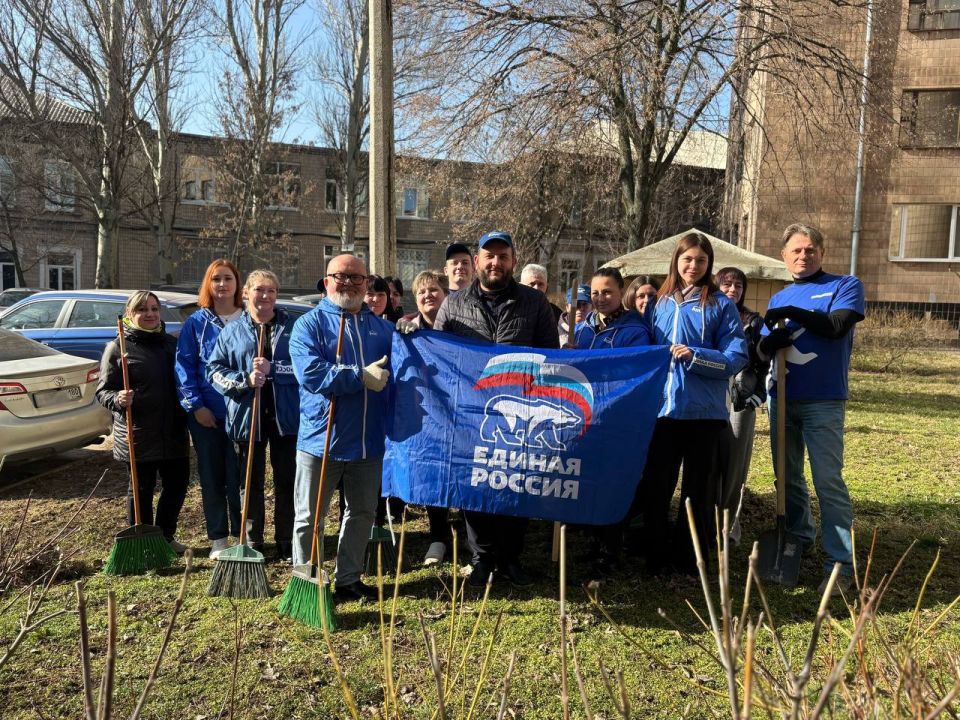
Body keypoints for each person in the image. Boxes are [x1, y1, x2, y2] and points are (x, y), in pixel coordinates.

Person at [434, 230, 560, 586]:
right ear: (477, 262)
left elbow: (551, 357)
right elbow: (439, 352)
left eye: (503, 256)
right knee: (475, 484)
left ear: (513, 262)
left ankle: (510, 558)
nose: (496, 262)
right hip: (470, 413)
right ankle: (483, 557)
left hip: (519, 410)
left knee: (514, 483)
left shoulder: (535, 304)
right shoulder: (453, 304)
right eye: (489, 256)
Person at [759, 223, 865, 595]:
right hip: (782, 397)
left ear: (821, 252)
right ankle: (798, 537)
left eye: (810, 250)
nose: (803, 256)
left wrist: (794, 312)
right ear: (784, 256)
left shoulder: (844, 286)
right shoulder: (777, 298)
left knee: (827, 480)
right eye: (796, 251)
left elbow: (837, 327)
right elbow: (761, 351)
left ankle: (840, 564)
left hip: (823, 399)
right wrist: (769, 343)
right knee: (787, 478)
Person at [636, 232, 747, 576]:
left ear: (708, 264)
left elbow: (736, 357)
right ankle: (653, 553)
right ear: (676, 261)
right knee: (657, 485)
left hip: (705, 413)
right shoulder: (660, 302)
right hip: (663, 411)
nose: (693, 266)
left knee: (698, 490)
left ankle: (690, 558)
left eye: (700, 260)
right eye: (687, 259)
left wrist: (696, 356)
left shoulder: (721, 305)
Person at [289, 254, 393, 601]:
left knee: (362, 513)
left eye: (357, 278)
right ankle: (307, 582)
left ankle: (348, 579)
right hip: (322, 440)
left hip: (368, 442)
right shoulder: (309, 325)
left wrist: (414, 330)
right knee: (309, 518)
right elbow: (312, 374)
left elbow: (408, 365)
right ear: (326, 280)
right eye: (340, 276)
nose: (348, 283)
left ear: (367, 283)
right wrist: (360, 375)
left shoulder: (381, 328)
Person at [207, 270, 299, 561]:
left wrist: (277, 370)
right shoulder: (232, 331)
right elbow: (213, 371)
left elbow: (306, 368)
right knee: (249, 483)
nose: (266, 296)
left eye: (271, 291)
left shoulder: (292, 327)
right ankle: (252, 540)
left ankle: (287, 539)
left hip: (285, 418)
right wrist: (245, 380)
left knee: (288, 481)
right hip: (248, 417)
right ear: (246, 293)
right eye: (259, 290)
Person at [97, 291, 190, 553]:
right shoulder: (119, 348)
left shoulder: (170, 345)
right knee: (141, 490)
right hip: (138, 433)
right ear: (130, 314)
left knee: (177, 484)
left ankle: (165, 537)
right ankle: (144, 543)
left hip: (172, 430)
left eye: (154, 309)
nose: (149, 314)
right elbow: (102, 391)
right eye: (142, 309)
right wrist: (118, 398)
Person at [573, 267, 651, 574]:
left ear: (621, 293)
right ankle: (594, 542)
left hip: (618, 418)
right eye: (595, 292)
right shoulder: (584, 328)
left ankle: (611, 548)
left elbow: (633, 374)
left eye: (607, 292)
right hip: (588, 416)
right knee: (589, 479)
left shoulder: (635, 330)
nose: (600, 298)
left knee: (613, 482)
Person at [175, 259, 244, 559]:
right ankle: (218, 538)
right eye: (216, 279)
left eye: (228, 278)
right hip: (207, 415)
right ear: (208, 284)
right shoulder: (197, 323)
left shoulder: (249, 319)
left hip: (243, 414)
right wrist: (196, 406)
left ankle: (244, 534)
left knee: (241, 479)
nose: (222, 284)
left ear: (237, 284)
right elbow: (184, 367)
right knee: (212, 476)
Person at [397, 270, 453, 566]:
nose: (428, 295)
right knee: (433, 474)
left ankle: (467, 539)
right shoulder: (407, 331)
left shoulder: (459, 330)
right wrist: (402, 332)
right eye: (422, 292)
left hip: (457, 413)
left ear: (445, 296)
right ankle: (438, 537)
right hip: (426, 415)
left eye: (434, 290)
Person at [714, 266, 769, 546]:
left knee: (735, 462)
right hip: (709, 394)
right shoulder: (707, 315)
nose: (732, 290)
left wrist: (757, 396)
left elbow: (764, 363)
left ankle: (728, 526)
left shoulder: (754, 322)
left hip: (741, 397)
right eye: (726, 284)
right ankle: (703, 521)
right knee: (710, 460)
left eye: (738, 285)